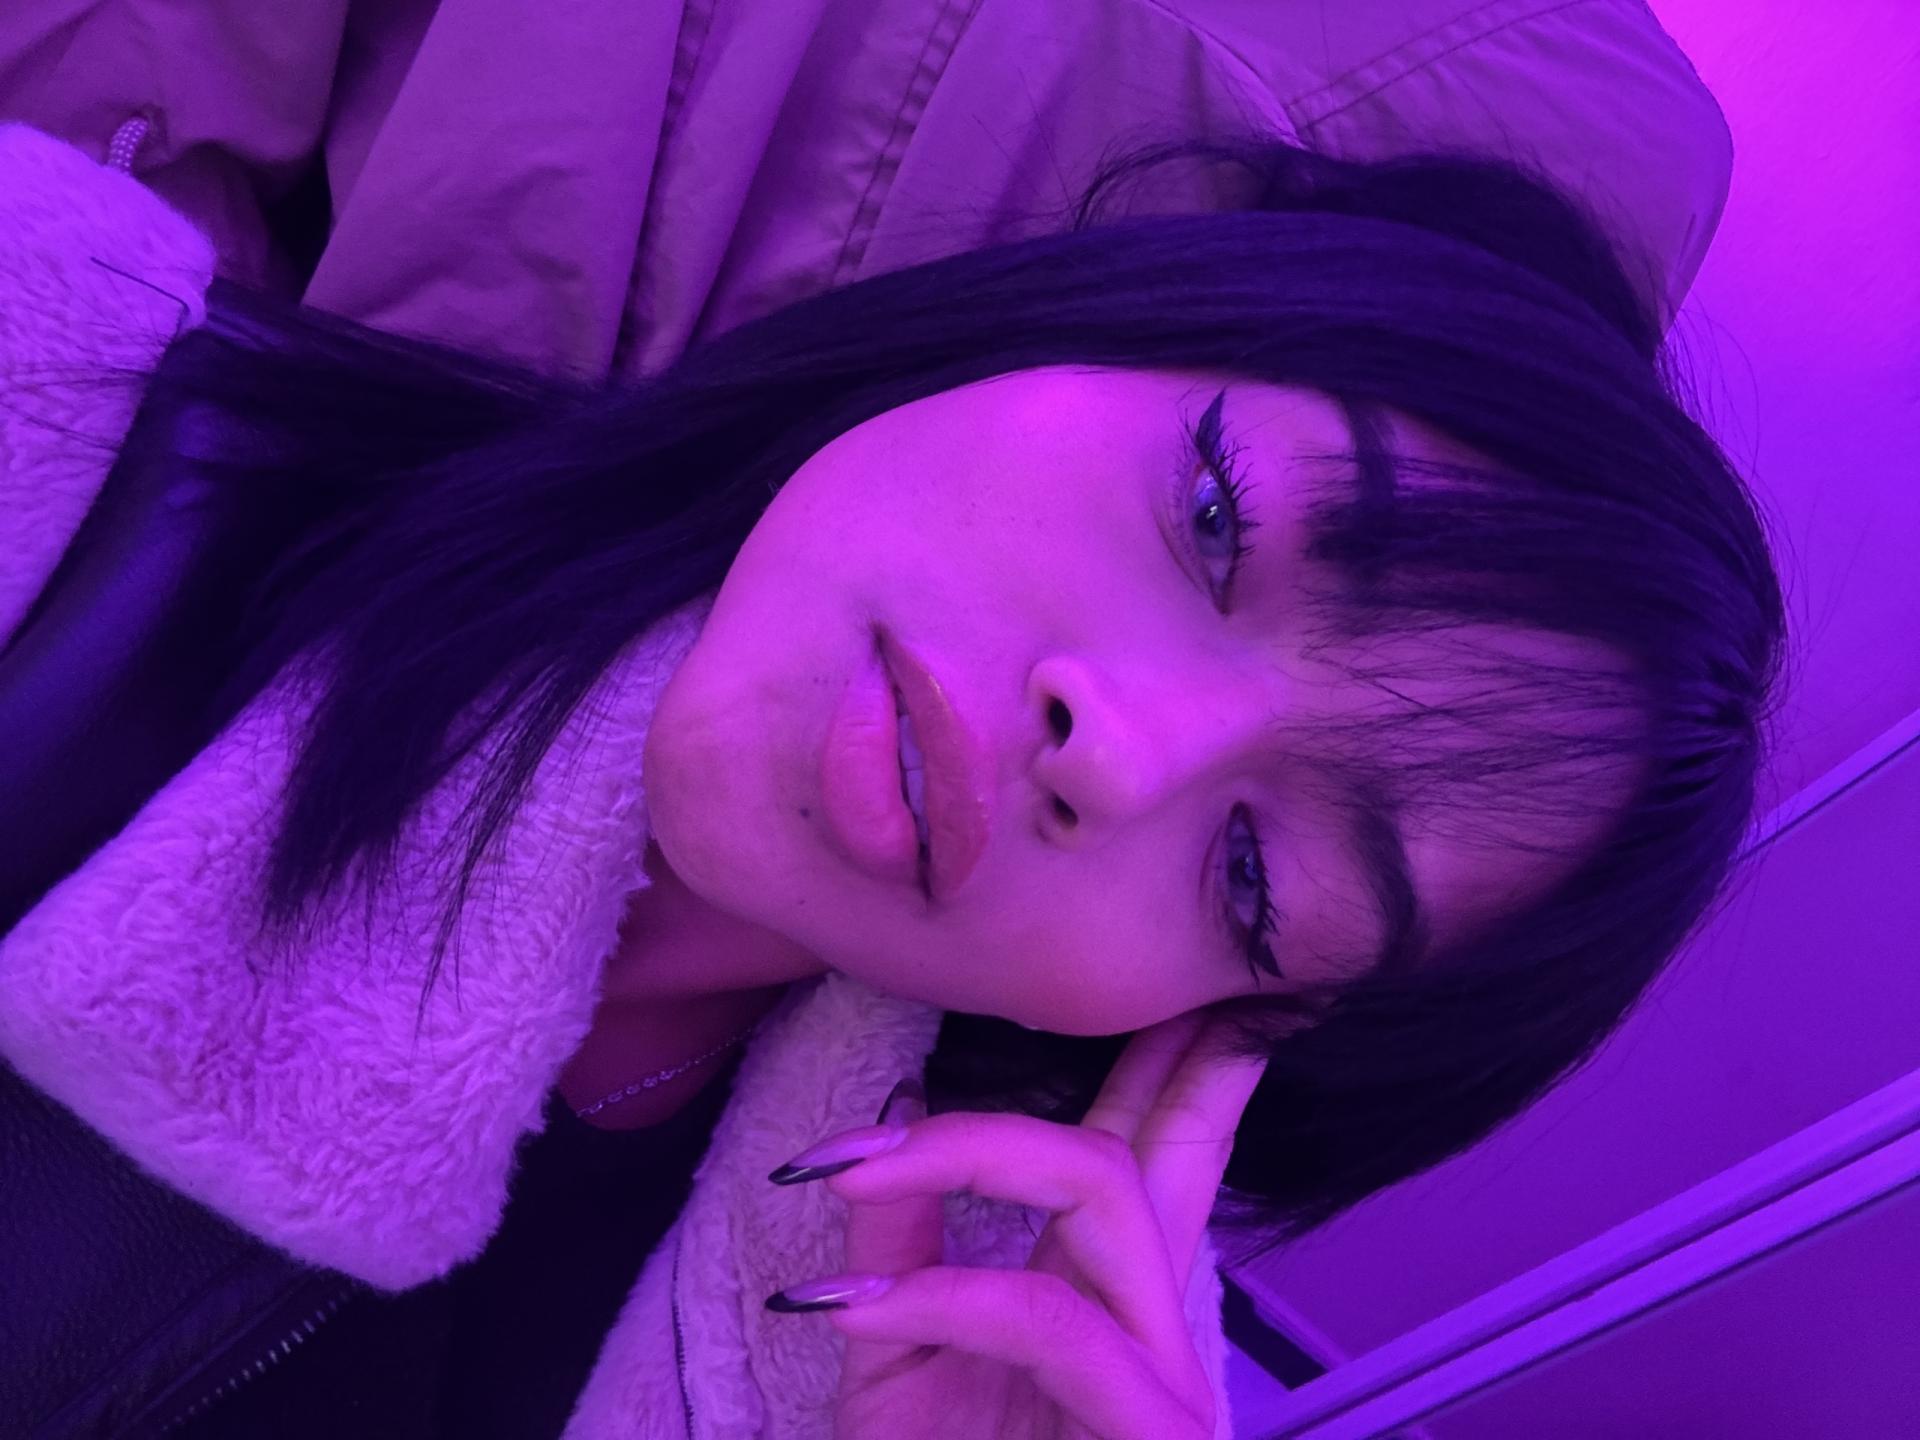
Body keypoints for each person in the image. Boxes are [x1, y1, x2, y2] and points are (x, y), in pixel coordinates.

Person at [0, 124, 1789, 1438]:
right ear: (1094, 321)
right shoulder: (42, 362)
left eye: (1252, 876)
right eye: (1217, 517)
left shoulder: (911, 1339)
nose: (1122, 754)